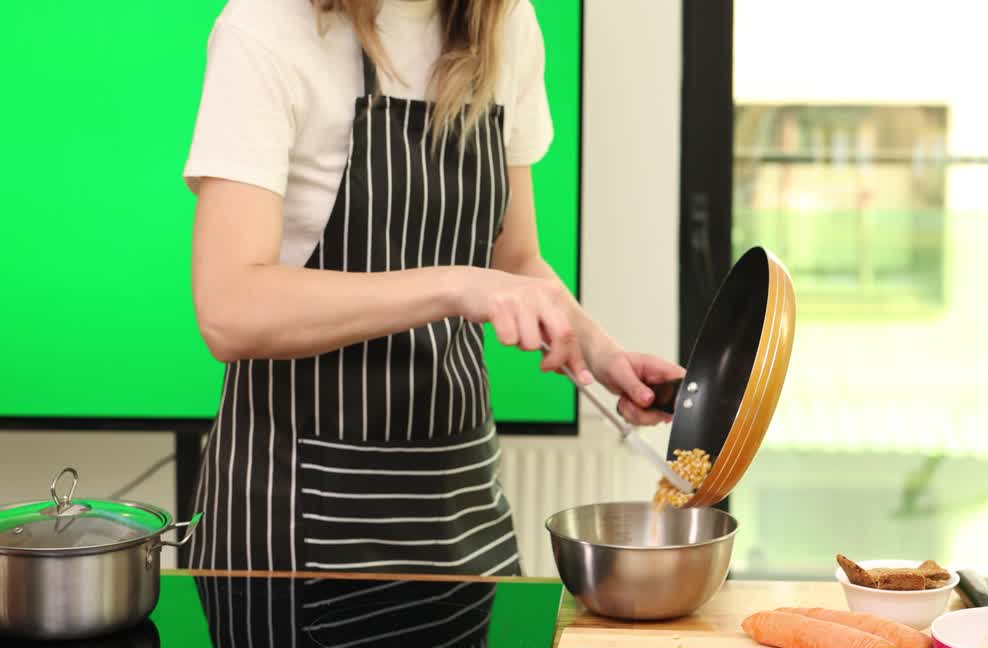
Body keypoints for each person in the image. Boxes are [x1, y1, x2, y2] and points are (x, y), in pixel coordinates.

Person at [181, 0, 682, 577]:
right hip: (294, 518)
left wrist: (601, 351)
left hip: (461, 503)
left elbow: (514, 258)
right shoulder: (267, 27)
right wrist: (456, 286)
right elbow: (230, 309)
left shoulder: (505, 25)